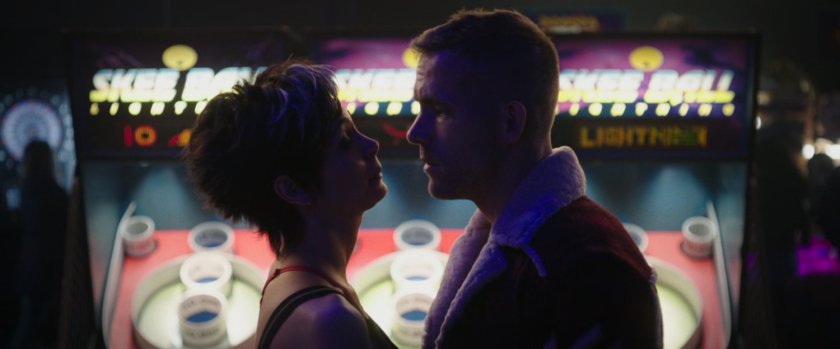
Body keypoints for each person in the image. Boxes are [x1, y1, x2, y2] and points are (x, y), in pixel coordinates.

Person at [406, 9, 662, 348]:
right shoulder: (536, 246)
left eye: (440, 111)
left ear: (510, 122)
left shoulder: (590, 270)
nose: (415, 133)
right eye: (420, 110)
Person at [184, 61, 396, 349]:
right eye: (345, 141)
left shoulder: (288, 273)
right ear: (293, 189)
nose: (371, 145)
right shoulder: (330, 321)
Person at [11, 140, 69, 349]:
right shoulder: (54, 193)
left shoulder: (27, 191)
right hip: (49, 269)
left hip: (32, 268)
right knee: (39, 328)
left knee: (30, 326)